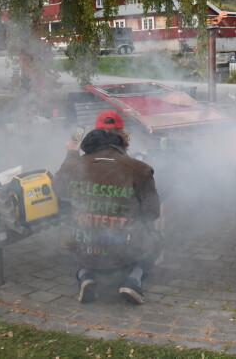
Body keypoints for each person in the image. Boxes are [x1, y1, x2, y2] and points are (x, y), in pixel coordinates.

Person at [53, 110, 161, 305]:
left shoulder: (74, 164)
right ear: (123, 136)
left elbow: (60, 191)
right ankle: (133, 281)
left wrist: (71, 152)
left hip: (84, 245)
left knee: (73, 235)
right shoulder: (139, 168)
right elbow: (151, 213)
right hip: (124, 249)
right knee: (156, 239)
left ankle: (85, 276)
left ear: (94, 134)